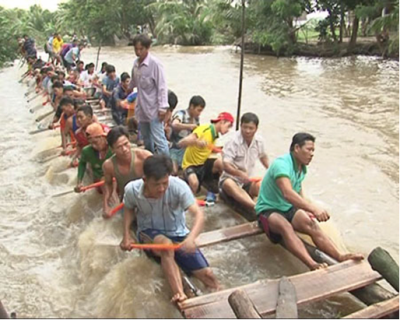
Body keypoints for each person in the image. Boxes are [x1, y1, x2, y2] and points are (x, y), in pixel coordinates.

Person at [256, 133, 364, 270]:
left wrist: (306, 210)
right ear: (296, 148)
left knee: (312, 225)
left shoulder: (301, 167)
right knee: (286, 227)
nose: (312, 154)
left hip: (288, 208)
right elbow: (288, 193)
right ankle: (312, 264)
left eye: (313, 150)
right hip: (268, 210)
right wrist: (314, 208)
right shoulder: (281, 164)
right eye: (309, 150)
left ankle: (340, 256)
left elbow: (298, 190)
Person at [120, 155, 220, 302]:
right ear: (145, 179)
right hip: (149, 232)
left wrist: (191, 239)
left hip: (179, 233)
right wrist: (126, 235)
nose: (161, 188)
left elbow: (199, 214)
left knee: (210, 277)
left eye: (164, 183)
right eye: (156, 184)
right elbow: (128, 208)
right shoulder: (132, 190)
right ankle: (179, 294)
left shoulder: (178, 186)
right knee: (167, 247)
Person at [129, 34, 169, 155]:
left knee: (159, 139)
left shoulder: (155, 64)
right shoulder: (136, 65)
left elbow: (162, 86)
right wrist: (127, 89)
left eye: (141, 49)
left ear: (148, 48)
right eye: (136, 49)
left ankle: (165, 166)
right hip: (142, 108)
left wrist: (163, 108)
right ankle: (150, 161)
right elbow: (133, 82)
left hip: (154, 108)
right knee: (146, 139)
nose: (138, 52)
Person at [220, 112, 269, 210]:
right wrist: (239, 173)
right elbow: (226, 165)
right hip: (231, 180)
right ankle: (255, 208)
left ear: (256, 129)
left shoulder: (259, 141)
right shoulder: (233, 141)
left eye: (251, 128)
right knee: (229, 184)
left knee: (262, 185)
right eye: (245, 127)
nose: (247, 131)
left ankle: (269, 206)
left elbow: (263, 156)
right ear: (240, 126)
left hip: (248, 181)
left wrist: (271, 170)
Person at [102, 126, 152, 218]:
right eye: (119, 147)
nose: (124, 149)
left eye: (126, 144)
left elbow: (160, 176)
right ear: (112, 149)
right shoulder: (108, 165)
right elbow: (108, 184)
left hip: (149, 198)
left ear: (129, 141)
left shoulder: (144, 156)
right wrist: (106, 206)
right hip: (128, 202)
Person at [180, 112, 234, 194]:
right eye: (228, 126)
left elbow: (209, 148)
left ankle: (225, 188)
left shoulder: (215, 135)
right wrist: (196, 142)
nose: (228, 130)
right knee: (194, 183)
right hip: (190, 165)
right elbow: (183, 142)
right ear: (222, 122)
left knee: (221, 162)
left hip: (203, 164)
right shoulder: (204, 129)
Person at [169, 95, 205, 175]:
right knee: (173, 170)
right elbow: (175, 124)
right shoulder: (181, 114)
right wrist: (189, 126)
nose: (199, 113)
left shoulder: (196, 119)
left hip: (187, 151)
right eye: (198, 110)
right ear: (192, 106)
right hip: (175, 148)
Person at [75, 123, 113, 193]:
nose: (94, 146)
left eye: (95, 142)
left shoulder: (113, 146)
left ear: (102, 137)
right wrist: (79, 183)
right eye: (91, 143)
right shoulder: (86, 151)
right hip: (100, 181)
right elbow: (82, 164)